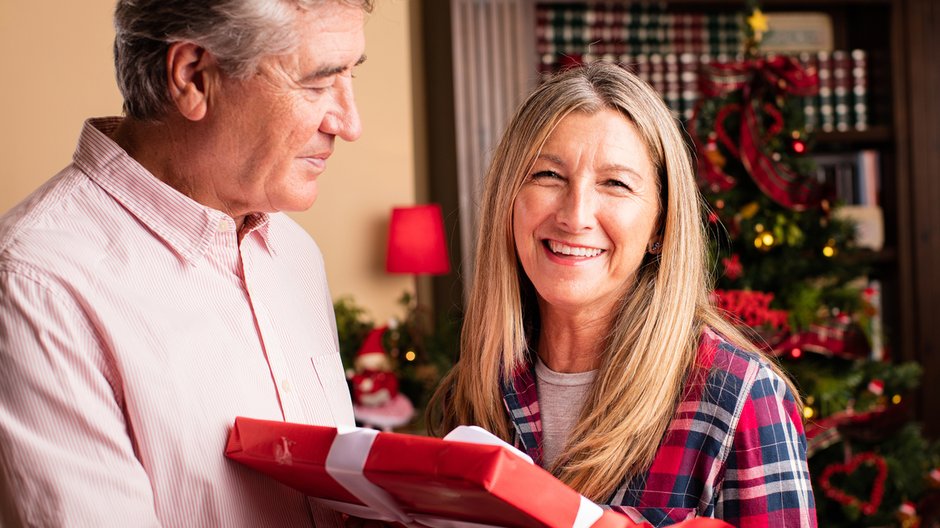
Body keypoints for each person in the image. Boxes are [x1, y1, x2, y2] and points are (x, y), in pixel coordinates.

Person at [0, 0, 372, 526]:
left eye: (352, 75)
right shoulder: (39, 284)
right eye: (318, 82)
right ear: (194, 77)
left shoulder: (294, 254)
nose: (351, 123)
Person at [427, 62, 817, 527]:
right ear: (508, 199)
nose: (575, 216)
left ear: (660, 223)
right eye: (548, 175)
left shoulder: (740, 398)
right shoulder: (476, 388)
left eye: (615, 183)